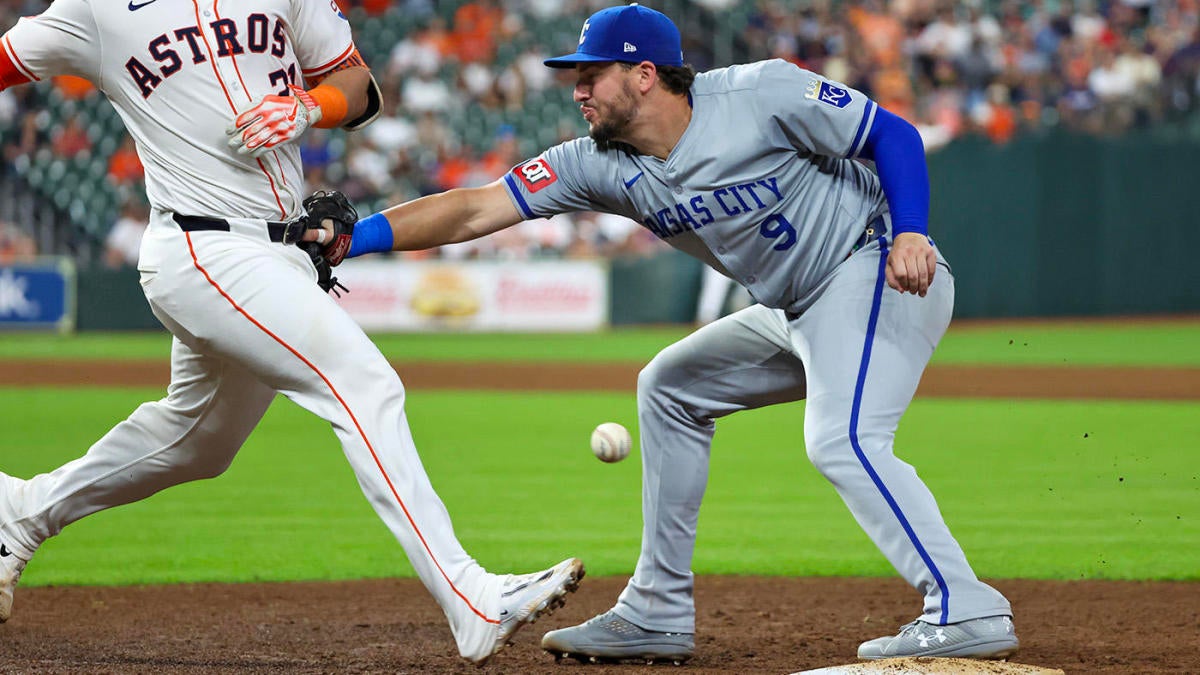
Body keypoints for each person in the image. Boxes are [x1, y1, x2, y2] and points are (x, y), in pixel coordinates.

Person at [307, 3, 1018, 664]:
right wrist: (355, 237)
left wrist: (912, 232)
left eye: (592, 76)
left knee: (844, 438)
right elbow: (474, 210)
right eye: (574, 78)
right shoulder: (597, 164)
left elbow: (890, 133)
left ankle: (965, 606)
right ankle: (656, 608)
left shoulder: (759, 92)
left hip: (872, 267)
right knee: (670, 386)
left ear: (645, 75)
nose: (577, 91)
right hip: (794, 307)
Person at [0, 0, 583, 666]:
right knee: (362, 380)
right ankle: (472, 598)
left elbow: (355, 83)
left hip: (281, 249)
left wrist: (309, 107)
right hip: (200, 248)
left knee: (198, 441)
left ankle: (20, 511)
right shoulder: (95, 8)